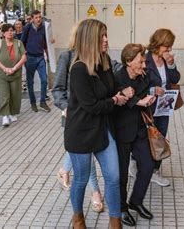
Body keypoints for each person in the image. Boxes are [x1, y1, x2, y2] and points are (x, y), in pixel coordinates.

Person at [64, 18, 131, 228]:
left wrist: (122, 92)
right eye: (102, 36)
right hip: (81, 133)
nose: (106, 40)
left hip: (103, 130)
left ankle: (115, 221)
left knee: (113, 177)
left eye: (106, 35)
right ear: (90, 39)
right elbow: (91, 105)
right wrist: (114, 100)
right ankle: (78, 217)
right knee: (81, 179)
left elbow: (111, 89)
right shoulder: (78, 69)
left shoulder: (105, 61)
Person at [52, 22, 104, 213]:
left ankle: (64, 170)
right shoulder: (66, 57)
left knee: (83, 153)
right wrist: (65, 107)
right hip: (74, 116)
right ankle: (96, 192)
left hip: (93, 116)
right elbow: (57, 88)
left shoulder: (98, 57)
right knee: (86, 155)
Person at [113, 43, 156, 226]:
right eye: (141, 61)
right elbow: (113, 98)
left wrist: (143, 100)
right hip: (121, 132)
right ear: (129, 61)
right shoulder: (117, 77)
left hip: (139, 130)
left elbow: (146, 95)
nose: (144, 65)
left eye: (145, 61)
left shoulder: (143, 76)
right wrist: (135, 100)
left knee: (147, 166)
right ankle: (122, 208)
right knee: (121, 175)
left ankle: (135, 201)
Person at [131, 28, 181, 187]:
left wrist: (172, 65)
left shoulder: (167, 60)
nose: (169, 49)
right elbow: (138, 84)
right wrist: (153, 90)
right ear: (158, 44)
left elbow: (175, 78)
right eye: (167, 46)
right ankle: (136, 163)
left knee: (160, 137)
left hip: (165, 107)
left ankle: (154, 171)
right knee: (145, 137)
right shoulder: (145, 59)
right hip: (149, 107)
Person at [0, 24, 27, 126]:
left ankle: (12, 113)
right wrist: (4, 68)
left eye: (12, 30)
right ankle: (5, 115)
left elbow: (23, 57)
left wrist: (14, 68)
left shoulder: (19, 43)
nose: (10, 32)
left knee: (15, 94)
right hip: (1, 74)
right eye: (7, 31)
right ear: (3, 33)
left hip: (15, 73)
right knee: (5, 95)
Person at [21, 10, 51, 112]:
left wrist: (48, 56)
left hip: (40, 58)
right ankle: (33, 102)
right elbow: (22, 42)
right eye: (36, 17)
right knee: (30, 82)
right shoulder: (27, 28)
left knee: (44, 80)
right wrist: (24, 55)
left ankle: (42, 102)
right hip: (30, 58)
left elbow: (46, 43)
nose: (39, 19)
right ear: (32, 19)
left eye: (40, 17)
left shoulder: (44, 28)